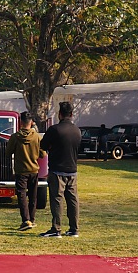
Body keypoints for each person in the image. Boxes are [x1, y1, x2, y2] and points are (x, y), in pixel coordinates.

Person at [39, 101, 81, 238]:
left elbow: (43, 145)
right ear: (72, 114)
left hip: (57, 169)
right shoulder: (77, 130)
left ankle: (56, 228)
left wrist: (52, 147)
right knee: (73, 200)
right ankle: (74, 228)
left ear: (60, 114)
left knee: (57, 199)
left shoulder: (54, 129)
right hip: (72, 170)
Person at [5, 111, 43, 230]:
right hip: (34, 169)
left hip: (21, 170)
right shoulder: (37, 137)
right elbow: (43, 153)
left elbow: (8, 152)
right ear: (31, 122)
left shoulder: (15, 137)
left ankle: (25, 220)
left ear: (20, 122)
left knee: (21, 195)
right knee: (33, 195)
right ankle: (32, 219)